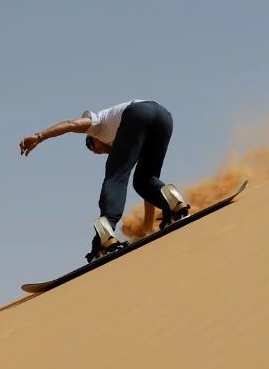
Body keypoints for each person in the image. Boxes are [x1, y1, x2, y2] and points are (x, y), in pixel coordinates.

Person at [20, 99, 190, 261]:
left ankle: (105, 237)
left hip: (138, 114)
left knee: (115, 179)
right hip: (164, 118)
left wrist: (39, 137)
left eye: (92, 145)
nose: (96, 151)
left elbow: (70, 125)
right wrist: (147, 227)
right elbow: (148, 186)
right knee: (145, 179)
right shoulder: (130, 140)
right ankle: (175, 205)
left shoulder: (96, 124)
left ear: (93, 137)